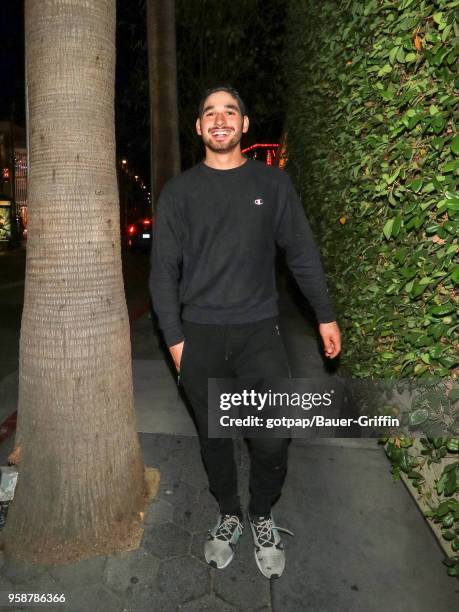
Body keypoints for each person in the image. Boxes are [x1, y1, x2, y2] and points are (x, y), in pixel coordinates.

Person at [150, 85, 341, 579]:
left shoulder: (272, 185)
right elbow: (162, 272)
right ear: (198, 127)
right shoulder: (180, 192)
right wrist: (175, 340)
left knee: (273, 437)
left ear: (244, 124)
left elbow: (300, 251)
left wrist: (324, 313)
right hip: (200, 337)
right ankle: (228, 513)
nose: (219, 120)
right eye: (209, 112)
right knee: (214, 437)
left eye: (229, 111)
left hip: (260, 333)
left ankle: (261, 513)